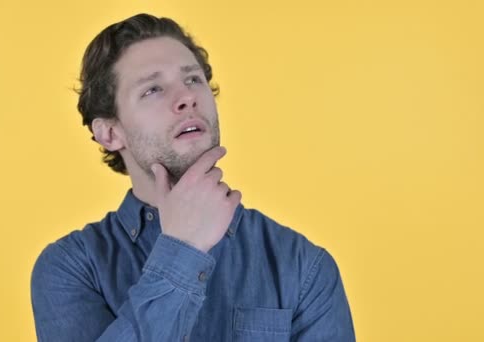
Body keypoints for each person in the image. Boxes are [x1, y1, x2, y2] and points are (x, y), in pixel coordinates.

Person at [31, 13, 356, 342]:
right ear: (111, 133)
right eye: (153, 89)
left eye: (193, 79)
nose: (187, 98)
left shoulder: (302, 264)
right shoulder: (70, 268)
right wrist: (182, 249)